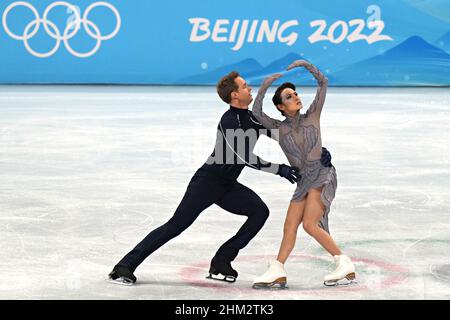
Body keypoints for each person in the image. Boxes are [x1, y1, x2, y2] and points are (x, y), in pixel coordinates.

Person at [108, 71, 333, 285]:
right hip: (207, 182)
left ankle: (221, 261)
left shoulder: (253, 119)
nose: (249, 88)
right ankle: (124, 266)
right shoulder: (229, 121)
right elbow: (243, 156)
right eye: (244, 86)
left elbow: (288, 137)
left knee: (259, 212)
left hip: (227, 185)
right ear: (235, 95)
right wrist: (279, 169)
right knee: (176, 226)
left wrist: (316, 152)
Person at [251, 60, 356, 288]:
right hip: (303, 180)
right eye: (289, 96)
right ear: (280, 107)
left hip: (322, 174)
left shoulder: (312, 115)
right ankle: (278, 268)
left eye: (296, 93)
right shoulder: (277, 129)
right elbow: (256, 112)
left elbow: (323, 82)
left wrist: (308, 66)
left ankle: (343, 261)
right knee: (289, 226)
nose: (296, 97)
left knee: (309, 225)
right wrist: (264, 87)